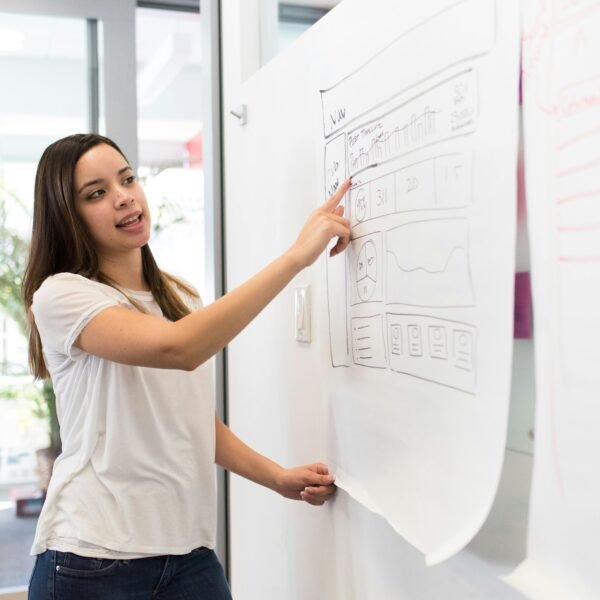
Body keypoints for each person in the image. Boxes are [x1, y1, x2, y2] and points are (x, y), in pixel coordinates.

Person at [23, 133, 351, 599]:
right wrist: (298, 257)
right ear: (67, 216)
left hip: (188, 555)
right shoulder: (62, 295)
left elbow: (189, 422)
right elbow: (181, 349)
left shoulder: (179, 299)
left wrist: (276, 477)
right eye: (96, 194)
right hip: (92, 559)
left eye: (127, 179)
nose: (123, 198)